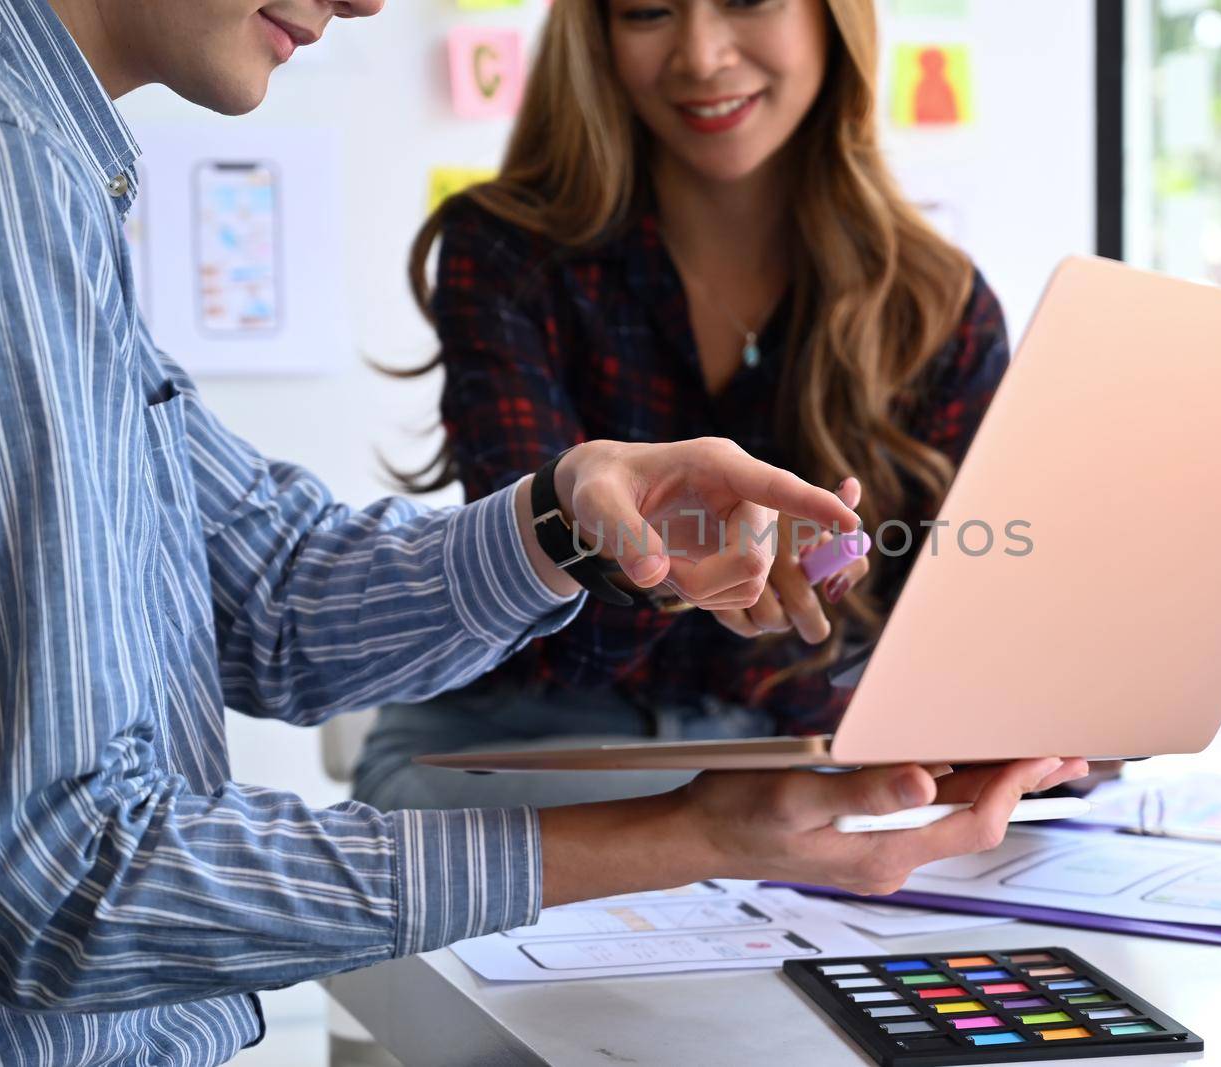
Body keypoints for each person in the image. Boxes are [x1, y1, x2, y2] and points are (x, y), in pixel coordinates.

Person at [0, 1, 1088, 1064]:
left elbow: (276, 596)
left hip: (775, 772)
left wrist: (562, 527)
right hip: (553, 753)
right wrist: (691, 792)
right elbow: (71, 879)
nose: (369, 0)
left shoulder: (60, 182)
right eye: (649, 11)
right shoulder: (22, 189)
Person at [356, 0, 1017, 813]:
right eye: (647, 12)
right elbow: (560, 628)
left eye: (746, 1)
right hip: (527, 744)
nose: (700, 57)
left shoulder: (939, 306)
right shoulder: (503, 253)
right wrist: (677, 559)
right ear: (596, 34)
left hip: (790, 759)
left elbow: (959, 653)